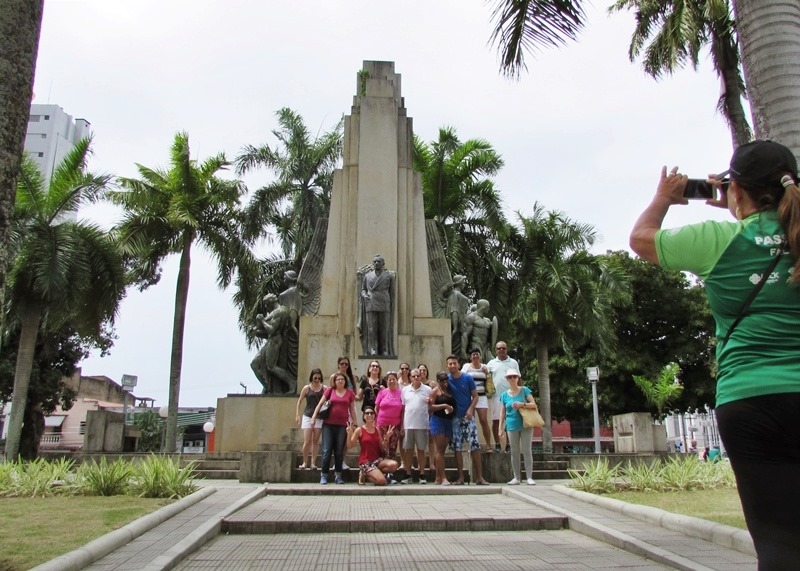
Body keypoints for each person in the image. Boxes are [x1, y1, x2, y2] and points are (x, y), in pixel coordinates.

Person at [630, 139, 800, 568]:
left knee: (778, 542)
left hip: (749, 401)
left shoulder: (718, 239)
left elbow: (641, 240)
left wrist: (664, 198)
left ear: (735, 190)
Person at [446, 355, 489, 485]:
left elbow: (475, 396)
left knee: (474, 446)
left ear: (458, 365)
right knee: (457, 448)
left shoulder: (467, 378)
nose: (452, 366)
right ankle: (461, 478)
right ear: (447, 366)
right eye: (450, 364)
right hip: (454, 418)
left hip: (468, 417)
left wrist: (471, 409)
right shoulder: (446, 380)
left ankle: (479, 477)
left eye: (454, 363)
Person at [311, 372, 357, 485]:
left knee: (339, 451)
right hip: (328, 424)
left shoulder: (349, 393)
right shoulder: (330, 390)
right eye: (338, 379)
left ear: (345, 381)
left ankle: (338, 475)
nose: (340, 381)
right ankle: (324, 475)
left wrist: (355, 422)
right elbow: (320, 404)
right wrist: (313, 417)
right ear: (335, 381)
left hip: (342, 425)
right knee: (326, 450)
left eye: (342, 379)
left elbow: (352, 409)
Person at [498, 369, 536, 485]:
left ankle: (529, 476)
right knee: (514, 451)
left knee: (526, 450)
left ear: (518, 378)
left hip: (525, 423)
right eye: (510, 377)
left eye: (514, 376)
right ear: (507, 379)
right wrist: (500, 428)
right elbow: (502, 412)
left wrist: (522, 404)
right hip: (511, 424)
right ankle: (516, 477)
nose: (512, 379)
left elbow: (534, 404)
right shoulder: (504, 395)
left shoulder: (524, 390)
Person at [347, 407, 398, 486]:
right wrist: (349, 433)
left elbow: (382, 448)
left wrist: (387, 438)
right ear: (364, 416)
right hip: (366, 462)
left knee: (394, 465)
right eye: (367, 413)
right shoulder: (359, 430)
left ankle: (373, 473)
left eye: (371, 413)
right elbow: (350, 446)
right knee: (382, 481)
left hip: (377, 461)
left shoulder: (377, 429)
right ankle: (364, 473)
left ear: (374, 416)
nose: (369, 415)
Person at [400, 368, 432, 483]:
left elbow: (431, 407)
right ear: (410, 378)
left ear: (421, 376)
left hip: (422, 424)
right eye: (413, 376)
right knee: (408, 450)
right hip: (408, 424)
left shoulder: (428, 390)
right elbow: (403, 409)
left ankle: (422, 474)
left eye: (418, 375)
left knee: (421, 450)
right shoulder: (405, 390)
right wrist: (402, 425)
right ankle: (408, 474)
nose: (416, 378)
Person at [359, 255, 395, 356]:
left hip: (384, 303)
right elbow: (363, 289)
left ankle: (384, 349)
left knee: (384, 329)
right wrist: (365, 295)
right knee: (371, 329)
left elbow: (392, 292)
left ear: (383, 264)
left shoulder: (389, 276)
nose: (376, 264)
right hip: (371, 303)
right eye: (374, 262)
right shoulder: (367, 276)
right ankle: (373, 349)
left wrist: (389, 304)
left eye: (378, 262)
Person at [487, 341, 520, 452]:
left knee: (510, 420)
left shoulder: (513, 362)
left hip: (512, 395)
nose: (501, 350)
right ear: (495, 350)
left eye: (503, 348)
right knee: (496, 421)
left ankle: (509, 445)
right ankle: (497, 444)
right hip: (496, 396)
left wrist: (520, 394)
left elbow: (519, 379)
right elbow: (486, 377)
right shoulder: (491, 363)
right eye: (499, 348)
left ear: (507, 349)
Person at [461, 348, 496, 453]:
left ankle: (489, 445)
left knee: (484, 420)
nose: (475, 356)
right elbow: (462, 378)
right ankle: (470, 445)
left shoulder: (485, 367)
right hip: (469, 397)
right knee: (469, 420)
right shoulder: (466, 367)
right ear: (470, 357)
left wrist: (487, 373)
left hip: (481, 396)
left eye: (477, 354)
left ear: (480, 356)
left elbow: (490, 382)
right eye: (473, 354)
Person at [428, 371, 456, 485]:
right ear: (438, 381)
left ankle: (437, 477)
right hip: (438, 421)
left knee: (442, 450)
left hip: (448, 421)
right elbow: (430, 407)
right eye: (441, 380)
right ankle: (443, 477)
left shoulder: (450, 390)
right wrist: (444, 405)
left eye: (446, 379)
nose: (444, 382)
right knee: (439, 450)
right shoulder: (435, 391)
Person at [294, 368, 324, 469]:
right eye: (315, 378)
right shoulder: (307, 388)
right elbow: (299, 401)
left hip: (319, 417)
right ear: (311, 377)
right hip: (307, 415)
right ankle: (304, 462)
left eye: (319, 378)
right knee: (307, 441)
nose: (317, 380)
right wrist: (297, 414)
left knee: (315, 441)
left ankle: (313, 463)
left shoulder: (324, 388)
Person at [374, 370, 404, 468]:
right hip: (382, 424)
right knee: (382, 447)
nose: (391, 381)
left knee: (392, 448)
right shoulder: (382, 393)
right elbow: (376, 409)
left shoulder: (401, 393)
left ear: (397, 380)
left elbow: (403, 411)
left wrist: (402, 426)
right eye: (389, 380)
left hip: (395, 425)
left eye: (393, 379)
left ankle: (390, 472)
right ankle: (380, 470)